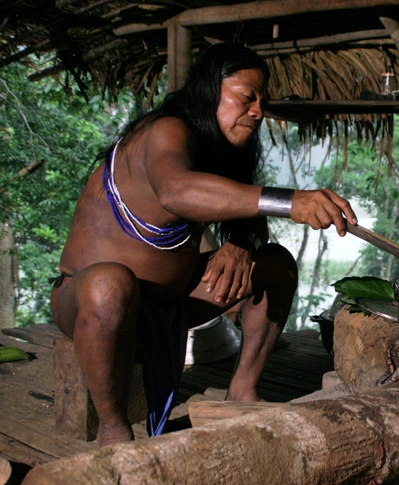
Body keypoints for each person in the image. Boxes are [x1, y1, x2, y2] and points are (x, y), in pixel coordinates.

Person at [50, 43, 357, 446]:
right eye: (247, 97)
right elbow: (176, 192)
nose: (258, 112)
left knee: (276, 264)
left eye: (263, 102)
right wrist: (291, 200)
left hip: (171, 301)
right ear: (210, 90)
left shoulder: (223, 149)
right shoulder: (166, 130)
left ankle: (241, 393)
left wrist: (241, 245)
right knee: (110, 283)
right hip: (90, 303)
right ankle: (113, 428)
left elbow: (250, 219)